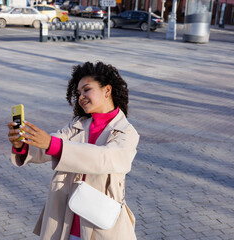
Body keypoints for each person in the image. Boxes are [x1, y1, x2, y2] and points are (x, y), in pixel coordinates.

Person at [7, 61, 139, 240]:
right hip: (64, 224)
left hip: (101, 227)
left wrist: (52, 144)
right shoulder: (78, 125)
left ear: (107, 90)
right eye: (78, 93)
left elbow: (105, 159)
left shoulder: (127, 132)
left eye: (86, 90)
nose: (81, 97)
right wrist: (21, 146)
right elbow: (49, 146)